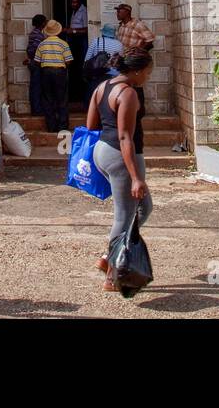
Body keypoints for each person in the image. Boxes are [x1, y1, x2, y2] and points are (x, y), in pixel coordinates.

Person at [85, 48, 154, 292]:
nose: (147, 76)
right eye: (147, 72)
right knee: (124, 216)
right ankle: (112, 276)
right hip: (122, 157)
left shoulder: (102, 87)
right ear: (136, 70)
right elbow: (125, 137)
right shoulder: (128, 93)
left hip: (102, 150)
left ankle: (108, 257)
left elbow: (90, 124)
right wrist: (135, 177)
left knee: (144, 207)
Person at [33, 19, 73, 133]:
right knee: (62, 99)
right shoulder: (63, 44)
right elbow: (69, 61)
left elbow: (37, 61)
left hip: (46, 72)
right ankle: (63, 126)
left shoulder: (42, 44)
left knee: (48, 99)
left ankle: (51, 126)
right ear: (58, 31)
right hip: (60, 72)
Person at [83, 24, 123, 93]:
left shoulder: (96, 41)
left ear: (103, 32)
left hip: (98, 75)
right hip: (115, 76)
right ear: (113, 34)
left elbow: (87, 59)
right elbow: (120, 62)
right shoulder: (119, 44)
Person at [63, 0, 89, 99]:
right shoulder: (74, 11)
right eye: (72, 2)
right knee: (73, 64)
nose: (73, 4)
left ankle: (82, 93)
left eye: (75, 2)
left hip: (81, 40)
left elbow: (87, 29)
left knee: (81, 64)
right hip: (73, 40)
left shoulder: (84, 11)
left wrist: (72, 31)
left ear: (80, 2)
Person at [25, 14, 47, 117]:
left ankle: (36, 108)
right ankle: (37, 109)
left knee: (35, 86)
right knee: (37, 86)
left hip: (33, 62)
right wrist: (35, 58)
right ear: (42, 23)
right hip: (36, 63)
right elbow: (33, 48)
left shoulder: (34, 33)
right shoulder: (38, 35)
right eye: (45, 21)